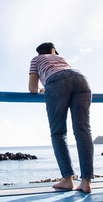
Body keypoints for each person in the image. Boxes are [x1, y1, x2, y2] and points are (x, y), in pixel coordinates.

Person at [28, 42, 93, 193]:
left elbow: (32, 89)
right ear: (53, 50)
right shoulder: (60, 57)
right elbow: (67, 75)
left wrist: (44, 88)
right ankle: (86, 182)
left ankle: (67, 179)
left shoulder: (36, 60)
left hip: (56, 82)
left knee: (58, 133)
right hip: (81, 79)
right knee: (83, 131)